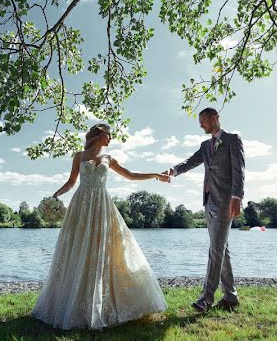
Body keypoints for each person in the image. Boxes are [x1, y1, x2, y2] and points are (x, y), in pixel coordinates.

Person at [31, 124, 169, 329]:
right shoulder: (79, 155)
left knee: (104, 251)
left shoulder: (109, 159)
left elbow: (130, 175)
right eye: (108, 134)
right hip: (82, 206)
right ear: (98, 134)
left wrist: (156, 174)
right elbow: (71, 182)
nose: (110, 139)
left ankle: (102, 304)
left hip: (102, 206)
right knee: (78, 248)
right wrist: (56, 195)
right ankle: (75, 304)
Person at [164, 107, 245, 312]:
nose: (201, 125)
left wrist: (237, 197)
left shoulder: (232, 139)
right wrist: (173, 171)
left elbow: (239, 170)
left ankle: (206, 298)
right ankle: (231, 297)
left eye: (204, 121)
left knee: (215, 250)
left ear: (215, 118)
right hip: (208, 202)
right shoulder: (204, 145)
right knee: (222, 250)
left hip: (226, 202)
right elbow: (190, 162)